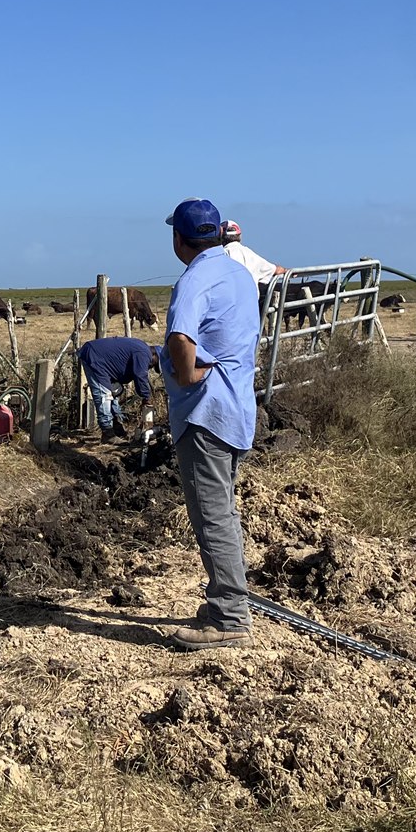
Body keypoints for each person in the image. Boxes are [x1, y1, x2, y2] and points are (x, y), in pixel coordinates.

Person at [161, 197, 262, 650]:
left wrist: (186, 375)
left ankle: (229, 618)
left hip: (207, 412)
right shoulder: (239, 273)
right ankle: (228, 601)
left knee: (212, 515)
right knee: (224, 508)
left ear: (179, 239)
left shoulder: (194, 279)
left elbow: (181, 337)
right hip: (239, 408)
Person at [76, 335, 157, 443]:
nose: (151, 367)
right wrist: (146, 396)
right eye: (154, 365)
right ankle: (108, 434)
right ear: (154, 355)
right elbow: (140, 375)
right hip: (95, 357)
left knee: (113, 393)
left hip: (101, 358)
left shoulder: (142, 348)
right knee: (104, 394)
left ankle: (117, 428)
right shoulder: (144, 354)